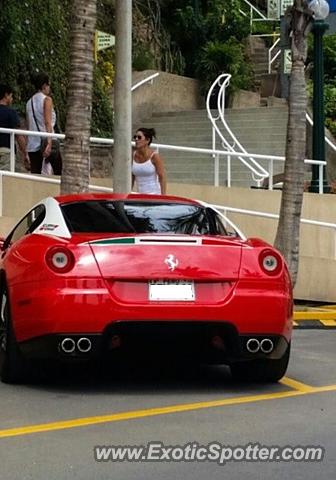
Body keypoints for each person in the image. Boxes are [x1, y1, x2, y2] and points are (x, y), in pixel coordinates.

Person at [26, 72, 61, 174]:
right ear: (44, 85)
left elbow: (29, 126)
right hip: (46, 142)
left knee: (36, 176)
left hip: (33, 144)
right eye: (48, 85)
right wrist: (49, 143)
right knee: (59, 172)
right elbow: (47, 122)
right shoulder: (47, 100)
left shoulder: (29, 102)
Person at [0, 84, 30, 171]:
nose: (12, 99)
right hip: (6, 151)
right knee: (4, 180)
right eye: (11, 96)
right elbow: (18, 135)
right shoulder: (11, 113)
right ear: (6, 95)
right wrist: (25, 153)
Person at [132, 127, 166, 194]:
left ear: (147, 140)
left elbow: (162, 177)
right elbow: (132, 177)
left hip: (155, 195)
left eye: (139, 137)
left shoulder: (155, 156)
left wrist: (163, 196)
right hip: (140, 195)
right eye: (135, 137)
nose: (136, 139)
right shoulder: (132, 155)